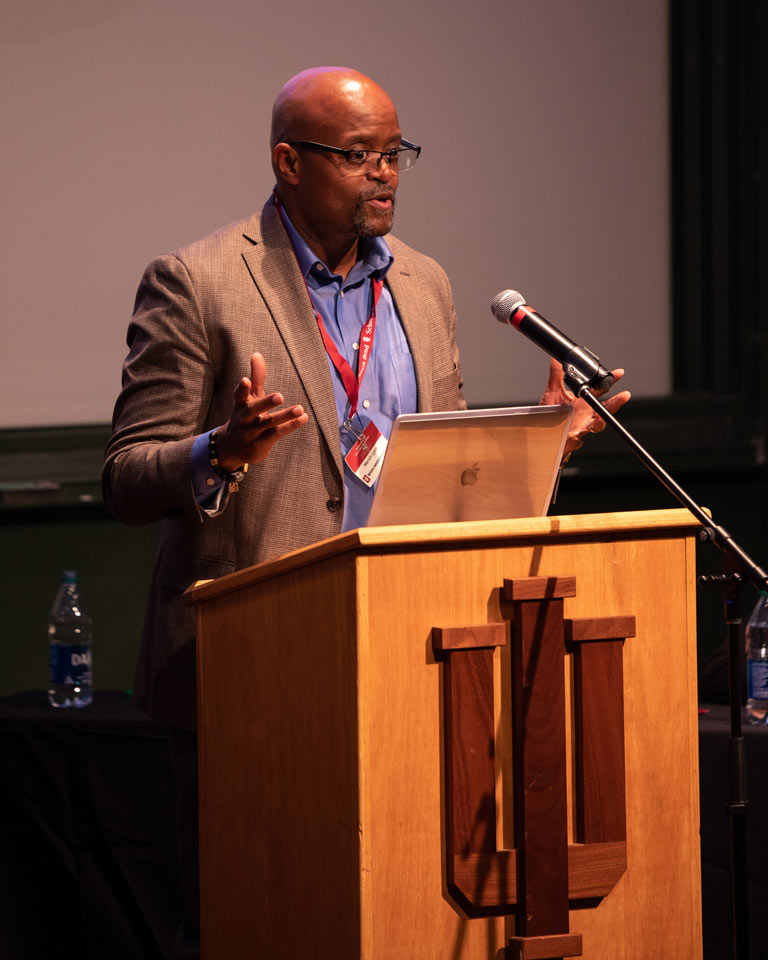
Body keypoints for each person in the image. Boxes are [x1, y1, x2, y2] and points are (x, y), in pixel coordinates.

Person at [103, 66, 630, 959]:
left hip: (414, 663)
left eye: (396, 153)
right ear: (288, 161)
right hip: (255, 676)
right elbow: (123, 475)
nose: (385, 173)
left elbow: (449, 473)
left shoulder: (422, 284)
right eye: (358, 155)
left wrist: (551, 441)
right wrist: (216, 449)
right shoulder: (199, 282)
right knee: (252, 926)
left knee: (394, 922)